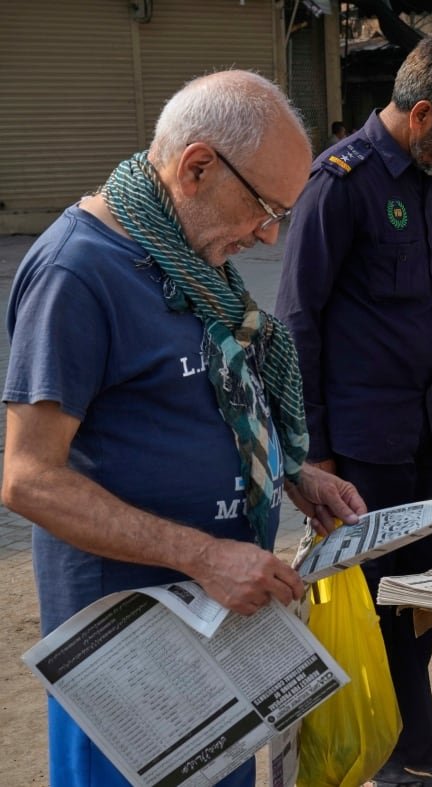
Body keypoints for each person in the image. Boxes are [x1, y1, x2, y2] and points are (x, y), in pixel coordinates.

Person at [1, 70, 367, 787]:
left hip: (220, 630)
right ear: (197, 167)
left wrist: (295, 473)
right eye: (265, 207)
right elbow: (26, 478)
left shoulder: (185, 258)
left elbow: (206, 396)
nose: (268, 234)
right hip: (127, 659)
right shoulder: (77, 271)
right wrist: (204, 553)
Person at [276, 34, 432, 785]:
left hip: (415, 427)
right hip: (357, 440)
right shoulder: (339, 181)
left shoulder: (425, 178)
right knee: (370, 597)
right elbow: (297, 318)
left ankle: (415, 732)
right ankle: (379, 746)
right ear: (424, 114)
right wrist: (314, 451)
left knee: (417, 587)